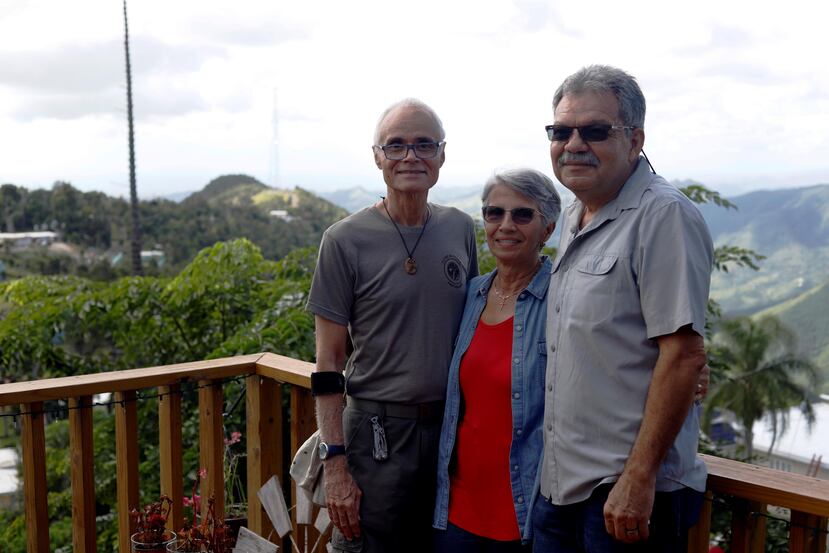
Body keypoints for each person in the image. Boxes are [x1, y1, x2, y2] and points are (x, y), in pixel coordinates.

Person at [532, 65, 714, 551]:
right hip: (561, 485)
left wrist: (637, 480)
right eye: (561, 131)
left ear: (635, 141)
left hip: (625, 495)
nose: (573, 144)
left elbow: (682, 355)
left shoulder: (663, 215)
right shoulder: (574, 214)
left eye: (594, 131)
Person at [307, 98, 478, 553]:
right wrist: (335, 462)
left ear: (442, 155)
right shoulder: (344, 241)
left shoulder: (460, 228)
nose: (411, 157)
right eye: (397, 146)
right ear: (378, 156)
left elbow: (481, 321)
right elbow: (328, 362)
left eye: (424, 145)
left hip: (450, 434)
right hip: (375, 436)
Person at [433, 168, 561, 552]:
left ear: (548, 229)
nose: (506, 225)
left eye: (523, 214)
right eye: (494, 213)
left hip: (524, 508)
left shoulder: (562, 298)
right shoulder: (472, 294)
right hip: (457, 505)